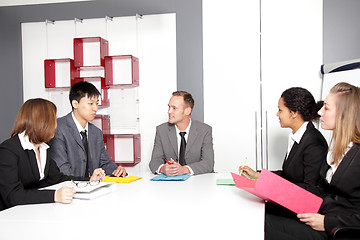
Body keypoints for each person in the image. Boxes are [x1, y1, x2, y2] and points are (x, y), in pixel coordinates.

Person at [265, 82, 360, 240]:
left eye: (327, 108)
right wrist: (267, 186)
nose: (320, 112)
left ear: (345, 114)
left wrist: (328, 222)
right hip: (318, 214)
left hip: (336, 229)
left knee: (264, 227)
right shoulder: (338, 150)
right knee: (262, 216)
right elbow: (320, 190)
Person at [0, 98, 104, 211]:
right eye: (54, 120)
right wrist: (54, 195)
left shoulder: (43, 148)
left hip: (30, 211)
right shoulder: (8, 151)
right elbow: (12, 196)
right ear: (43, 122)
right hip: (9, 216)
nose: (56, 125)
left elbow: (58, 178)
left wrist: (89, 180)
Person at [240, 87, 328, 193]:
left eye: (280, 110)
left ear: (293, 113)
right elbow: (287, 176)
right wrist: (258, 175)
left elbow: (311, 189)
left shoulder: (314, 142)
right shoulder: (298, 137)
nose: (277, 114)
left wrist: (270, 186)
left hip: (299, 206)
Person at [49, 81, 126, 177]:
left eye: (97, 103)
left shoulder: (96, 132)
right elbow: (62, 169)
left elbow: (104, 163)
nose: (95, 108)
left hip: (92, 188)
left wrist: (116, 170)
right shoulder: (58, 128)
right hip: (68, 188)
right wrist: (88, 181)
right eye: (90, 103)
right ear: (75, 104)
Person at [149, 91, 214, 176]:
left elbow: (208, 163)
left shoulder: (204, 130)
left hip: (198, 183)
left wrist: (185, 169)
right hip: (170, 185)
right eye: (169, 107)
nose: (169, 111)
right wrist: (163, 168)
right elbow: (154, 162)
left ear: (187, 111)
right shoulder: (161, 130)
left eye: (174, 108)